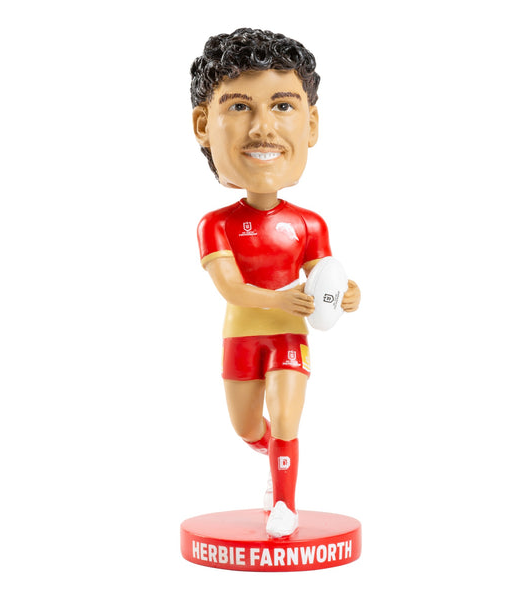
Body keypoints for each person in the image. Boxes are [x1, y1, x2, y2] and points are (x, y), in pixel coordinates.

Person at [190, 28, 361, 537]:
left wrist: (346, 294)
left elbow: (324, 277)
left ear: (311, 125)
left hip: (289, 336)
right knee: (247, 427)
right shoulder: (216, 224)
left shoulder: (309, 223)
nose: (264, 127)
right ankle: (273, 460)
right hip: (242, 338)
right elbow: (231, 288)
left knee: (287, 418)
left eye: (283, 105)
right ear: (204, 125)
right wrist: (280, 298)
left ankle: (284, 503)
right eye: (241, 107)